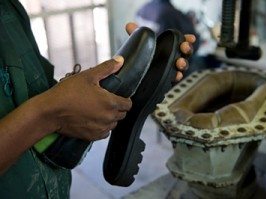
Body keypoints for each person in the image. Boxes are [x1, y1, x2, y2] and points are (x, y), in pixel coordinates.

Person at [0, 0, 195, 198]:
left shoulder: (9, 9)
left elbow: (32, 85)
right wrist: (51, 114)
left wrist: (82, 94)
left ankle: (125, 93)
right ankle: (121, 97)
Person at [136, 0, 200, 55]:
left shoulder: (142, 9)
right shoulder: (171, 13)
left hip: (148, 54)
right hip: (167, 57)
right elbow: (195, 44)